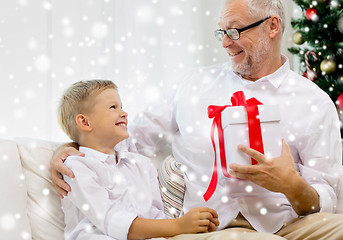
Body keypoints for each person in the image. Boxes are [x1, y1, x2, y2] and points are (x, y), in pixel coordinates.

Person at [51, 0, 343, 239]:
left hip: (289, 225)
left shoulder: (313, 102)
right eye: (221, 32)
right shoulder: (193, 86)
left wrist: (293, 187)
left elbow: (328, 196)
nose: (226, 43)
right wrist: (74, 148)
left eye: (235, 31)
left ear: (272, 26)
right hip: (207, 225)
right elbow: (130, 141)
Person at [56, 80, 219, 240]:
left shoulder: (140, 164)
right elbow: (110, 220)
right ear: (85, 122)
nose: (124, 113)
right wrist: (179, 225)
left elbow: (156, 214)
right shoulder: (76, 166)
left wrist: (189, 225)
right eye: (113, 107)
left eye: (122, 107)